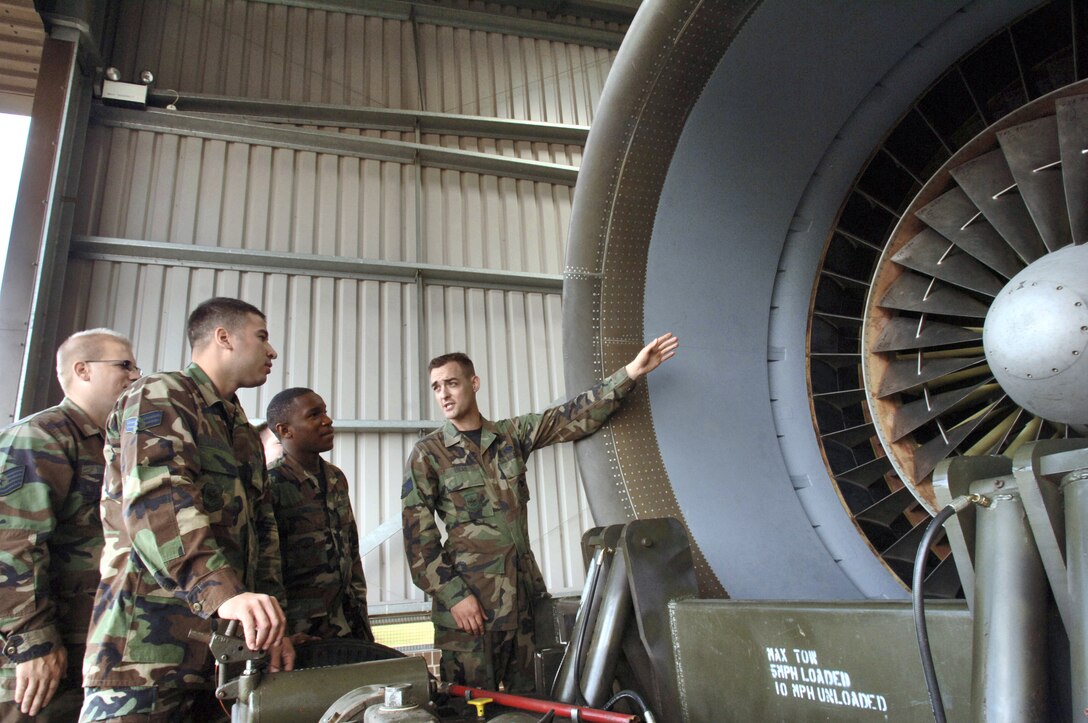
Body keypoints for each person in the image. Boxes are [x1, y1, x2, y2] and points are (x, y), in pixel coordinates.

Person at [401, 333, 680, 692]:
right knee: (467, 710)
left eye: (452, 383)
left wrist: (630, 373)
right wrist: (455, 597)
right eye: (436, 387)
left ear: (474, 383)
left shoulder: (509, 436)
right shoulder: (429, 454)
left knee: (532, 703)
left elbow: (571, 416)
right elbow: (418, 542)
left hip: (524, 606)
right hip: (471, 615)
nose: (443, 394)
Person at [80, 298, 294, 722]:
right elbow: (158, 502)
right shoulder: (162, 394)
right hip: (146, 658)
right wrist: (224, 595)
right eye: (262, 337)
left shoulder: (241, 431)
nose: (272, 352)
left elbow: (262, 534)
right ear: (223, 338)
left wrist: (272, 626)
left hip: (222, 661)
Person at [0, 330, 141, 721]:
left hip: (94, 646)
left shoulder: (114, 446)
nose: (134, 376)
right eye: (124, 365)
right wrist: (32, 641)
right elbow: (11, 545)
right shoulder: (40, 437)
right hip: (42, 655)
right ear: (82, 370)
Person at [265, 388, 373, 643]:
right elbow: (265, 566)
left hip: (349, 624)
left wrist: (360, 611)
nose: (327, 420)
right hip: (301, 632)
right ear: (285, 430)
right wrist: (281, 635)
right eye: (314, 415)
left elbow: (351, 549)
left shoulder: (335, 478)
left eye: (324, 411)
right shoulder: (270, 484)